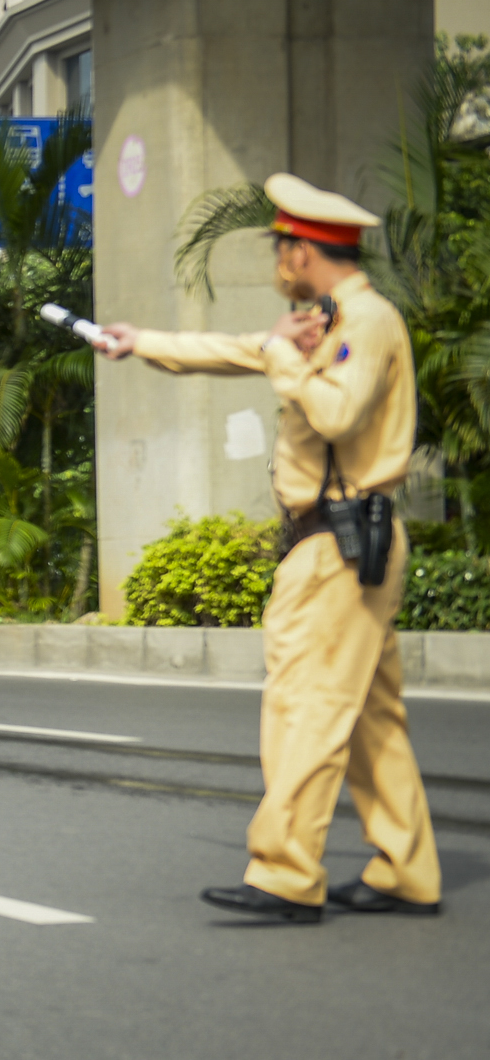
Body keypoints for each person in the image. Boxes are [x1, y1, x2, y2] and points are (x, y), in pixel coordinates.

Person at [101, 173, 440, 923]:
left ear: (301, 250)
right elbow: (235, 349)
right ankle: (406, 867)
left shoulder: (364, 322)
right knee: (369, 715)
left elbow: (340, 414)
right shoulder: (326, 318)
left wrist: (283, 360)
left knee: (306, 706)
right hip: (344, 542)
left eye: (279, 248)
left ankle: (286, 872)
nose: (275, 263)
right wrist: (140, 343)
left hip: (338, 544)